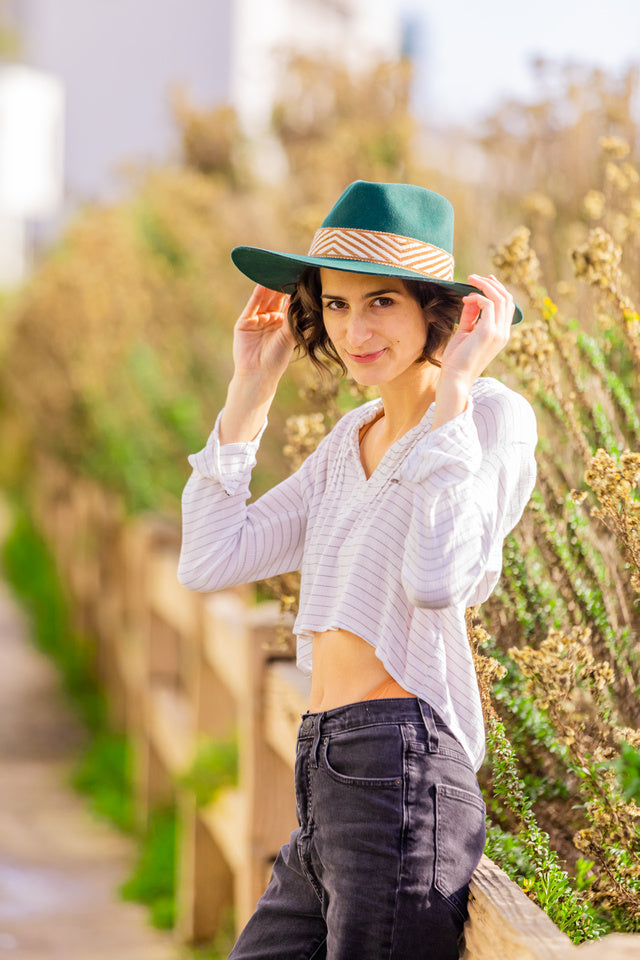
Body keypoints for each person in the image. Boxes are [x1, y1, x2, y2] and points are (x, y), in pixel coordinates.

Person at [178, 180, 537, 960]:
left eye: (381, 303)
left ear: (435, 311)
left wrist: (458, 388)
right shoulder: (351, 436)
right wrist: (251, 388)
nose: (354, 329)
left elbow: (440, 578)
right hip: (326, 768)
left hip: (402, 767)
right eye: (335, 305)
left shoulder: (489, 418)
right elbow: (210, 559)